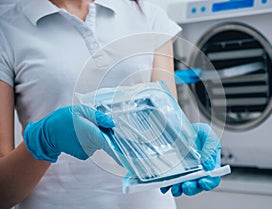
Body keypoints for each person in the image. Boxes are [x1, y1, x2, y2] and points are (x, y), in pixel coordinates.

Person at [0, 0, 221, 208]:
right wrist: (43, 142)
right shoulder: (7, 26)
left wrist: (188, 152)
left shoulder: (146, 15)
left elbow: (167, 127)